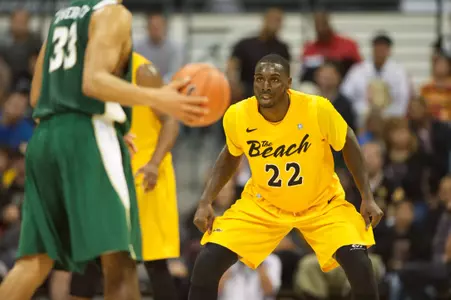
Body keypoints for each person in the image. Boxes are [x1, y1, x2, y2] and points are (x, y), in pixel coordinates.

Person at [0, 1, 207, 299]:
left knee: (34, 262)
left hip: (45, 136)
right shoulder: (113, 13)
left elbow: (36, 95)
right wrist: (158, 97)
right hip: (87, 137)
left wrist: (96, 122)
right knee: (120, 261)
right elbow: (93, 81)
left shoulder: (61, 19)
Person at [189, 54, 384, 300]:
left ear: (289, 83)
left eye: (274, 79)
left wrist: (367, 196)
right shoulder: (238, 114)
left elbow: (349, 143)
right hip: (264, 205)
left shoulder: (317, 108)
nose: (265, 86)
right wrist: (206, 199)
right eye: (259, 79)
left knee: (360, 264)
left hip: (321, 204)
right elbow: (231, 153)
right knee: (207, 262)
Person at [69, 52, 181, 300]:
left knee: (154, 262)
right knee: (91, 257)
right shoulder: (91, 70)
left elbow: (171, 122)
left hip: (146, 174)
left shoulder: (143, 72)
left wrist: (154, 163)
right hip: (108, 171)